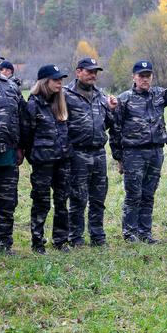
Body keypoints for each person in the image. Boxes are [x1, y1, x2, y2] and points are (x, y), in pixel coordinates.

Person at [110, 43, 167, 243]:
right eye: (141, 75)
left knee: (148, 194)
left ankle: (145, 232)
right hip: (133, 153)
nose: (145, 79)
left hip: (155, 152)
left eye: (148, 75)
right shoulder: (124, 99)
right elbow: (116, 129)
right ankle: (129, 233)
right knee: (133, 194)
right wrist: (119, 157)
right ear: (134, 77)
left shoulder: (158, 95)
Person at [64, 58, 117, 247]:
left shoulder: (101, 96)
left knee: (98, 197)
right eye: (89, 71)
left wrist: (112, 110)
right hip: (77, 153)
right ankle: (76, 237)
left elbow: (109, 124)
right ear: (78, 72)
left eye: (95, 72)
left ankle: (97, 235)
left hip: (99, 154)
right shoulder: (65, 95)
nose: (93, 75)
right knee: (78, 198)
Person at [22, 65, 72, 254]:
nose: (60, 82)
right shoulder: (33, 104)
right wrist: (34, 157)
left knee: (62, 201)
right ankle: (37, 242)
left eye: (61, 79)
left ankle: (60, 240)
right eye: (55, 79)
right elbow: (26, 135)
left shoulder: (61, 102)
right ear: (45, 81)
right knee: (41, 202)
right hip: (43, 163)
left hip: (62, 161)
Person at [0, 44, 24, 255]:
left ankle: (3, 245)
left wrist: (21, 147)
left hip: (7, 158)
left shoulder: (10, 87)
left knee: (6, 204)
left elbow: (22, 119)